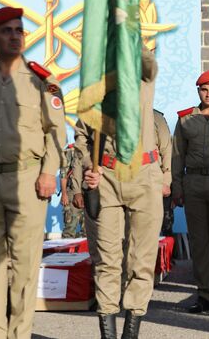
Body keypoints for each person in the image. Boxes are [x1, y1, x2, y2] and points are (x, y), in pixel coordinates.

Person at [76, 47, 162, 339]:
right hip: (107, 178)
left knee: (141, 259)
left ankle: (131, 331)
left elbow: (148, 63)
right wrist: (89, 165)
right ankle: (108, 334)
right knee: (107, 259)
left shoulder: (144, 77)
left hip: (144, 176)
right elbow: (81, 138)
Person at [0, 6, 67, 338]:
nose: (13, 36)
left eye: (18, 31)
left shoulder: (41, 80)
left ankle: (18, 333)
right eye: (6, 30)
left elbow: (56, 132)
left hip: (27, 179)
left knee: (23, 266)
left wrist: (49, 172)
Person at [171, 70, 209, 314]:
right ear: (199, 91)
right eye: (204, 90)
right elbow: (177, 155)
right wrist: (177, 187)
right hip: (194, 183)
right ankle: (204, 294)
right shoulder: (186, 119)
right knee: (199, 242)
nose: (208, 94)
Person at [153, 109, 173, 236]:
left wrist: (166, 181)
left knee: (160, 228)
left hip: (153, 180)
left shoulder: (156, 117)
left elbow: (166, 151)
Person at [60, 144, 86, 238]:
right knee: (70, 227)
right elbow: (63, 175)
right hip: (72, 192)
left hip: (88, 192)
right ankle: (66, 252)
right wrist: (64, 194)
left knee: (88, 229)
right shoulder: (70, 152)